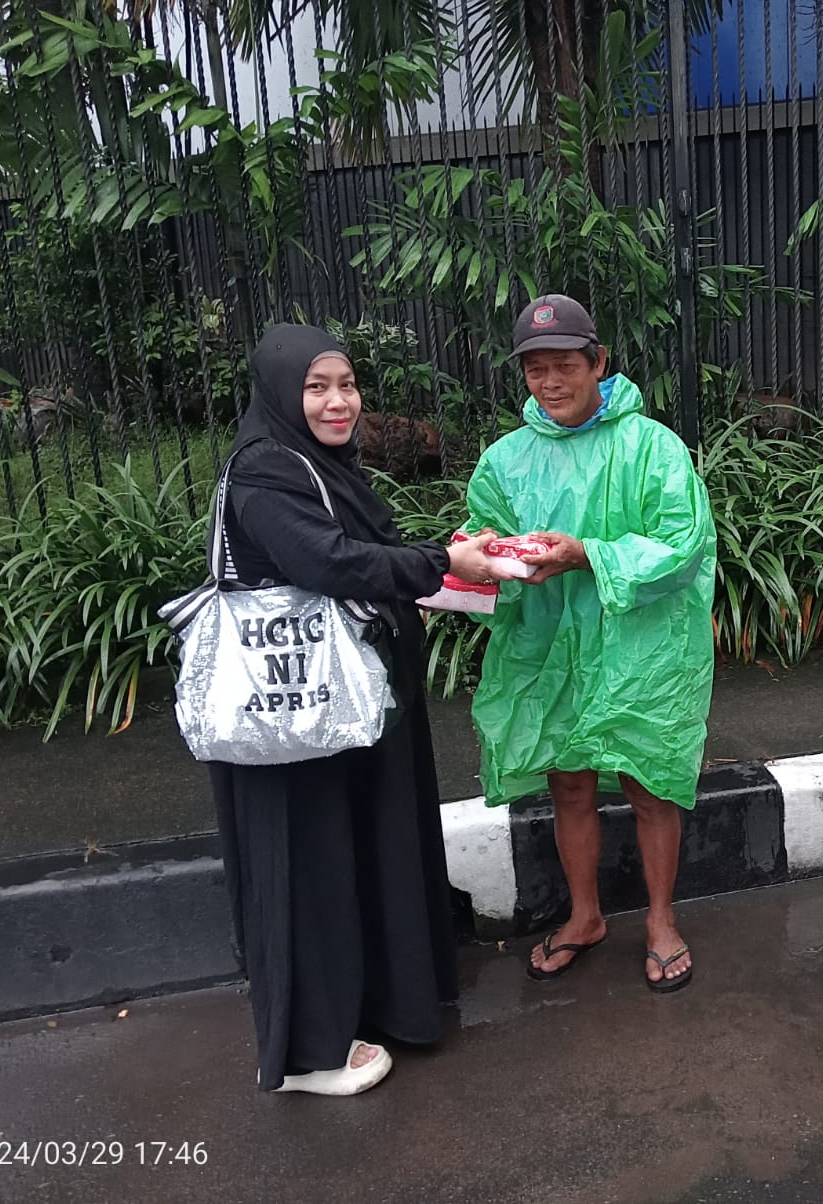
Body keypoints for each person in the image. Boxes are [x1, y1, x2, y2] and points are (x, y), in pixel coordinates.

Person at [209, 323, 498, 1095]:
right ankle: (309, 1052)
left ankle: (377, 1004)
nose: (339, 402)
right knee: (311, 861)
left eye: (346, 384)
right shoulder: (267, 469)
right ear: (278, 390)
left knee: (353, 848)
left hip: (341, 705)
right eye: (316, 387)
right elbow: (326, 562)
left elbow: (361, 558)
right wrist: (440, 562)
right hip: (293, 717)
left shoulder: (318, 463)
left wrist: (447, 568)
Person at [465, 295, 716, 992]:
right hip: (550, 648)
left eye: (565, 366)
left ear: (598, 363)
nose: (551, 382)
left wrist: (589, 556)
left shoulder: (652, 447)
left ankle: (661, 920)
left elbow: (683, 546)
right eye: (536, 369)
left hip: (640, 651)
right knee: (568, 782)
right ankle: (585, 916)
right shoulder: (505, 461)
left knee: (647, 782)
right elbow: (483, 542)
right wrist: (476, 560)